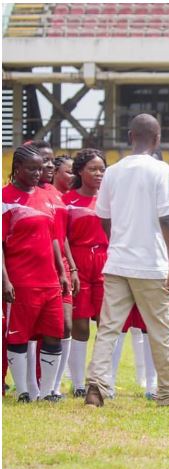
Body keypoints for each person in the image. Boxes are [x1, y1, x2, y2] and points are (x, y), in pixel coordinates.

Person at [84, 113, 169, 407]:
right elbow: (167, 219)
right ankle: (168, 393)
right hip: (150, 264)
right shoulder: (160, 170)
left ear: (131, 136)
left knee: (108, 329)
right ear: (157, 139)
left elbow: (104, 217)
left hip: (117, 262)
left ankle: (96, 390)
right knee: (160, 330)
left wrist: (117, 241)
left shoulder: (113, 171)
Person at [2, 145, 68, 402]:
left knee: (54, 334)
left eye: (40, 168)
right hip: (20, 281)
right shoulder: (5, 198)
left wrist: (61, 272)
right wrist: (4, 280)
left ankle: (48, 391)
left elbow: (53, 237)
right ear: (17, 169)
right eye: (31, 168)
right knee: (18, 335)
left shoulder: (46, 196)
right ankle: (23, 392)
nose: (37, 173)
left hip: (49, 280)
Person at [31, 140, 79, 400]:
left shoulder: (55, 194)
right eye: (44, 160)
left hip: (59, 267)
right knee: (31, 330)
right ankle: (30, 386)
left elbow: (61, 236)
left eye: (51, 161)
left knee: (64, 326)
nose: (48, 165)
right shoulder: (24, 194)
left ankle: (54, 385)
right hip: (34, 267)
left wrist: (71, 266)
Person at [63, 149, 108, 398]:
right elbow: (62, 237)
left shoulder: (109, 199)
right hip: (78, 261)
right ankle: (79, 383)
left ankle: (101, 382)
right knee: (80, 326)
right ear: (80, 171)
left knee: (106, 324)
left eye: (102, 169)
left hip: (105, 261)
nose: (99, 173)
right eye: (93, 168)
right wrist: (72, 268)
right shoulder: (67, 200)